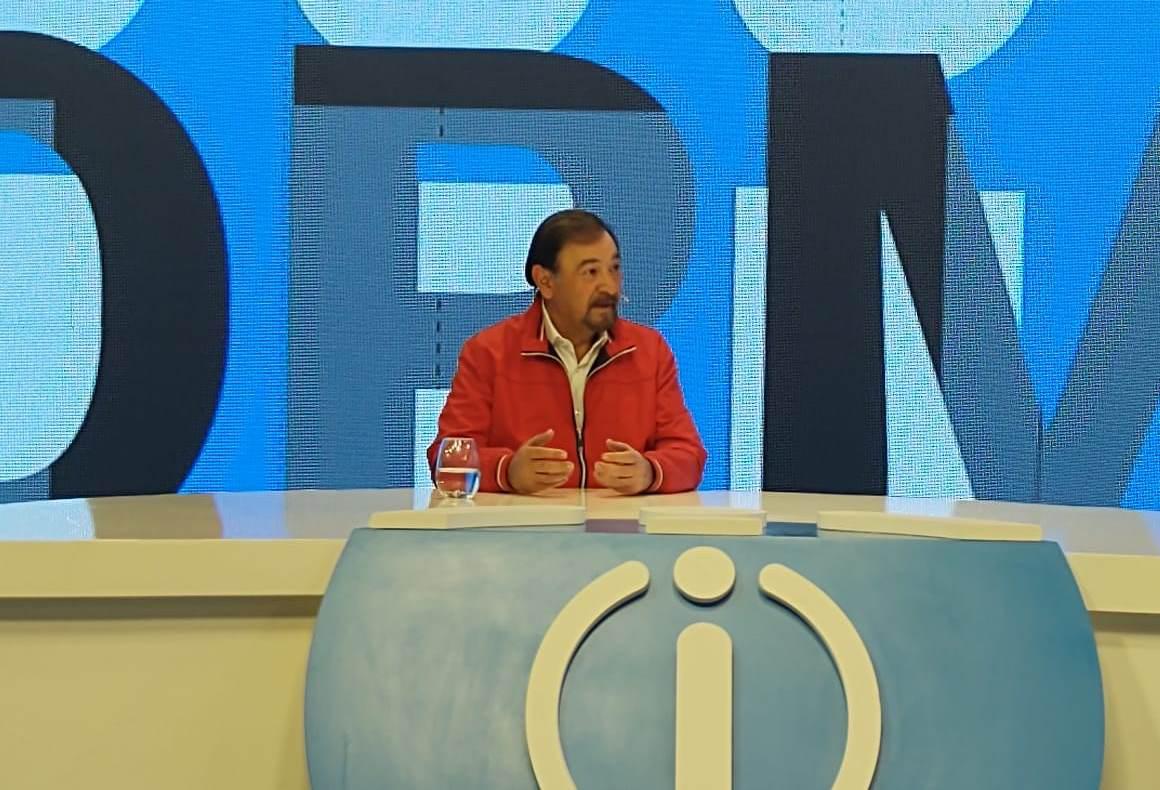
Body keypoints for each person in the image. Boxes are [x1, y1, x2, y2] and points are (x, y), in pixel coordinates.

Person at [428, 209, 706, 495]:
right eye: (591, 272)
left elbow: (689, 455)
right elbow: (446, 458)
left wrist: (650, 472)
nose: (609, 286)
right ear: (545, 281)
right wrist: (507, 471)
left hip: (620, 522)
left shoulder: (649, 351)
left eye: (614, 268)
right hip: (524, 522)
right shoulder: (489, 352)